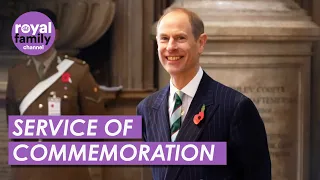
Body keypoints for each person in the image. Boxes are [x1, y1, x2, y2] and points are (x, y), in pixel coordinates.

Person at [137, 7, 271, 180]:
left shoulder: (235, 107)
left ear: (201, 43)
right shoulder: (146, 109)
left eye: (180, 38)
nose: (170, 47)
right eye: (164, 39)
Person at [6, 8, 106, 180]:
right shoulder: (17, 74)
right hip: (26, 171)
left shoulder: (77, 71)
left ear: (55, 34)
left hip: (67, 170)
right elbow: (14, 125)